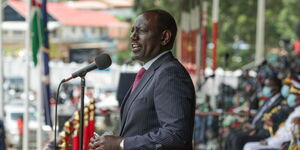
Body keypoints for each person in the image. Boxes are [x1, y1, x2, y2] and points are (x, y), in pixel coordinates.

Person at [89, 9, 196, 150]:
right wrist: (107, 142)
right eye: (132, 31)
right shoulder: (150, 72)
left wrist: (121, 144)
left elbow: (176, 136)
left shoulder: (170, 73)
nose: (133, 37)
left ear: (164, 37)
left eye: (141, 31)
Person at [243, 80, 300, 150]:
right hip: (274, 139)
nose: (289, 97)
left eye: (293, 95)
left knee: (249, 146)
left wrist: (269, 142)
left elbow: (289, 135)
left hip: (282, 144)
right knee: (248, 145)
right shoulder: (295, 111)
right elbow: (282, 131)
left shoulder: (296, 113)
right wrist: (269, 141)